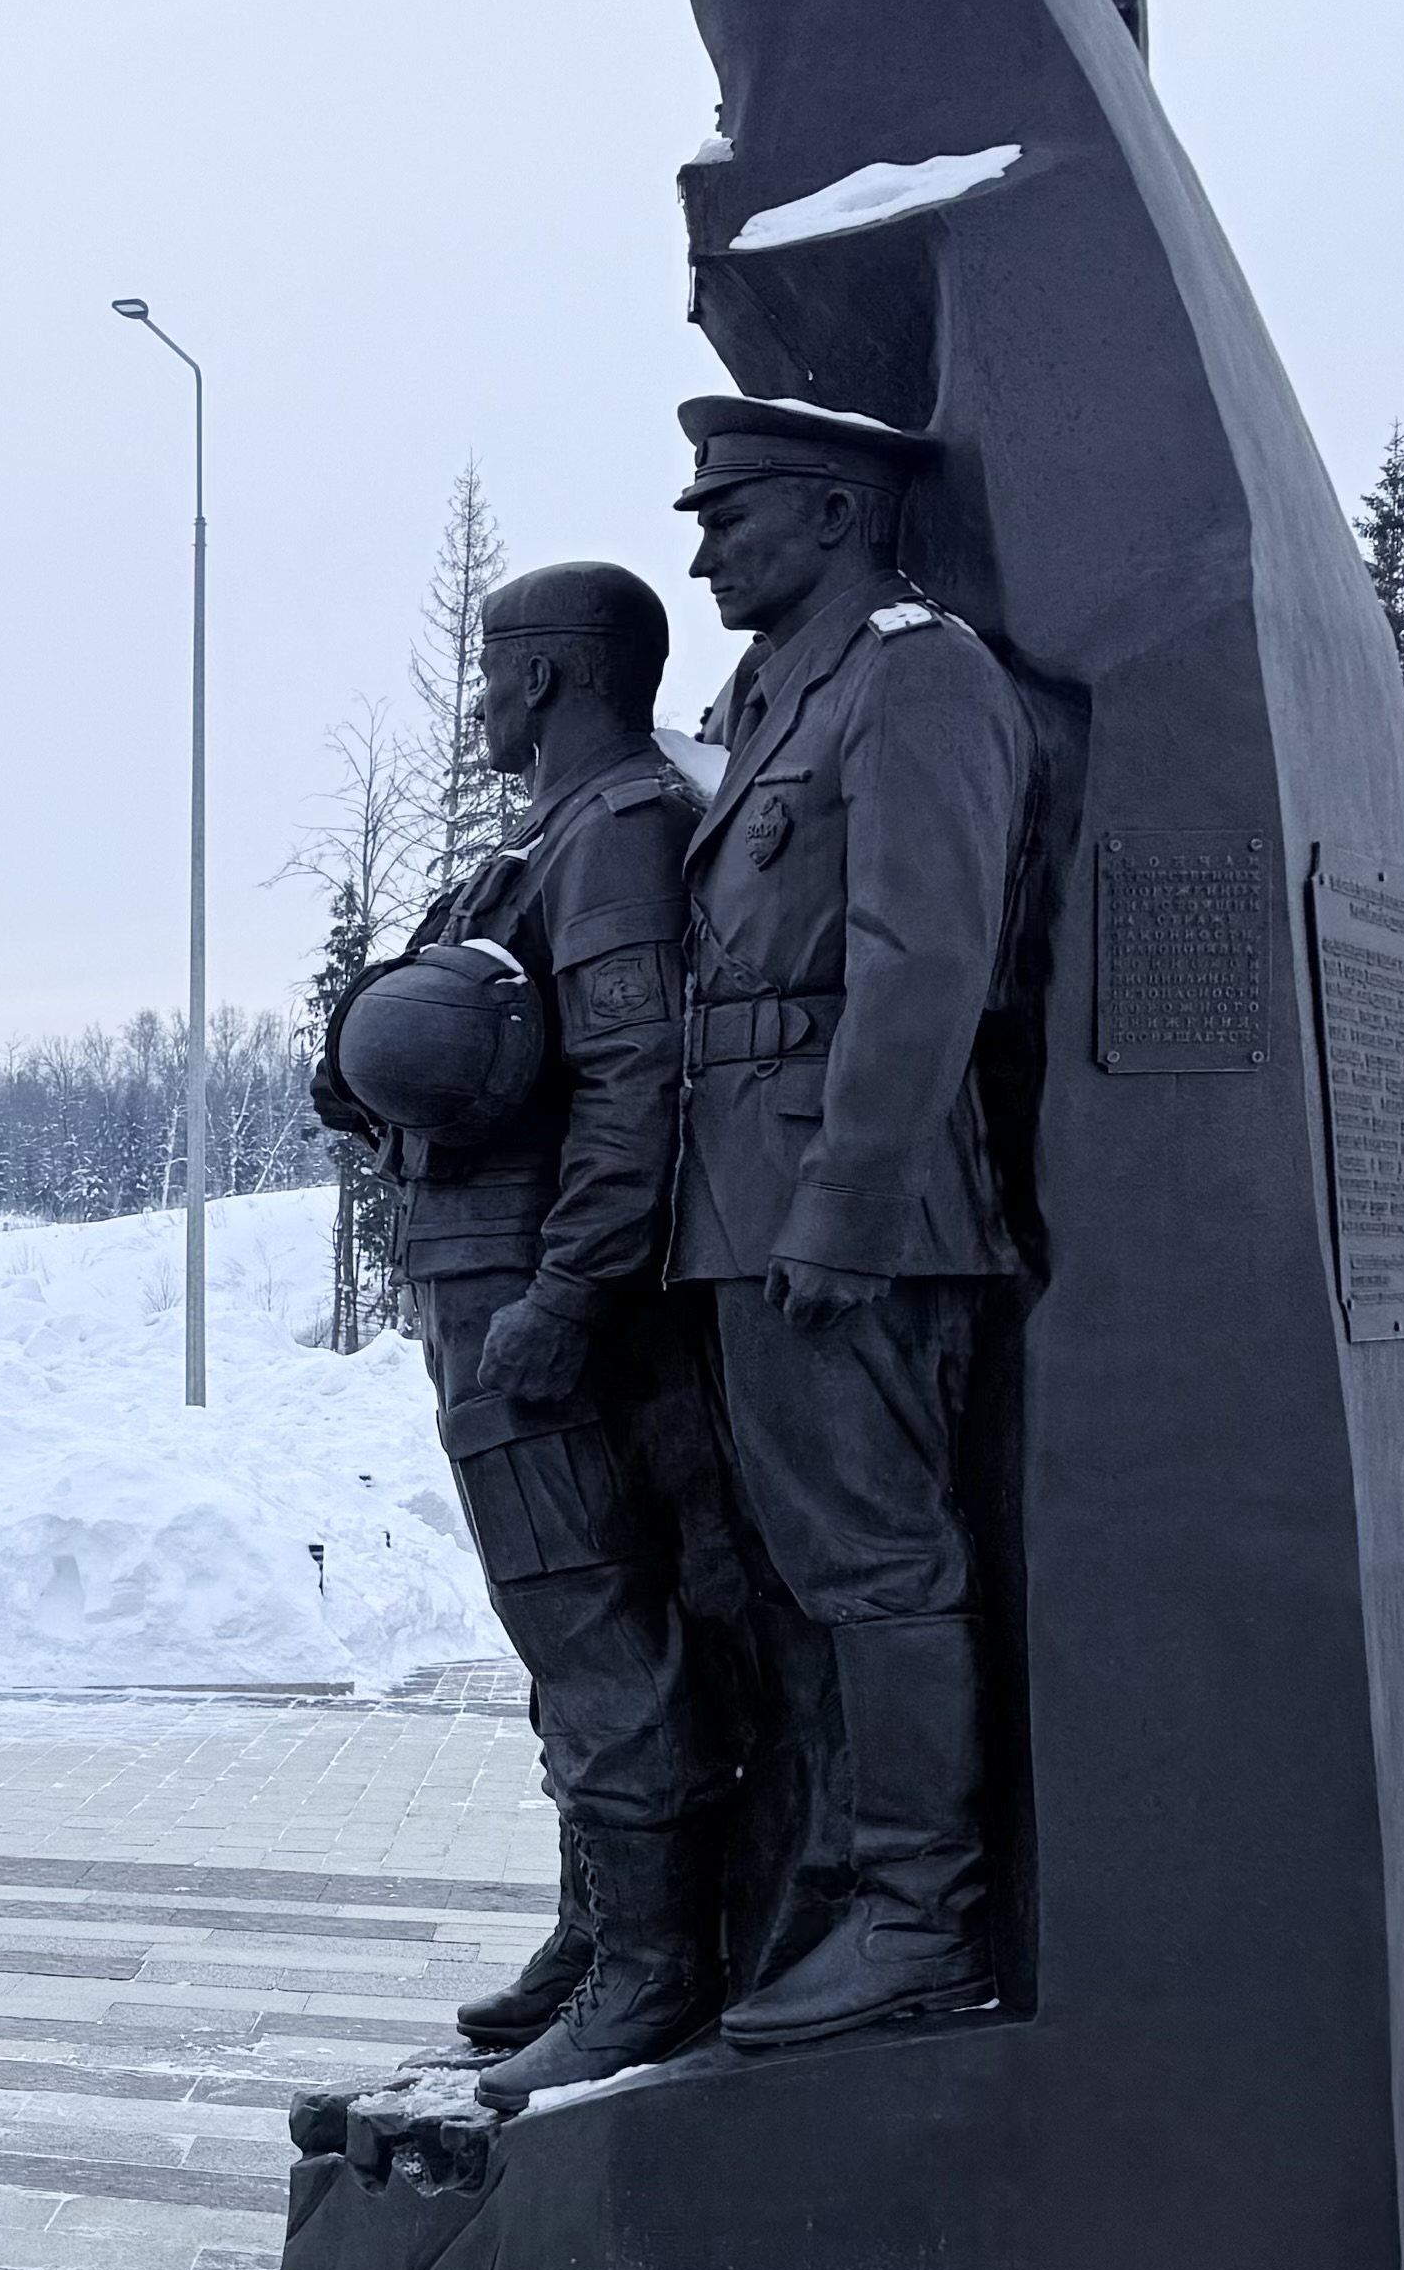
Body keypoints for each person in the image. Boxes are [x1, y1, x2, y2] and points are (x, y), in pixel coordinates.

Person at [313, 565, 732, 2108]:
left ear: (549, 678)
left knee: (593, 1616)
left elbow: (638, 1086)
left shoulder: (619, 829)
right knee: (557, 1627)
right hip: (484, 1269)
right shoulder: (552, 837)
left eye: (495, 672)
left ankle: (656, 1967)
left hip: (538, 1290)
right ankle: (602, 1924)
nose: (484, 700)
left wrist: (570, 1296)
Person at [669, 394, 1036, 2048]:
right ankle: (835, 1878)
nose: (700, 547)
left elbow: (922, 956)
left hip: (853, 1204)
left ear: (828, 509)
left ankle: (917, 1916)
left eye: (727, 514)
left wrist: (846, 1203)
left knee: (882, 1568)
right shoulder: (771, 694)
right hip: (754, 1199)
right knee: (815, 1569)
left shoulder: (914, 672)